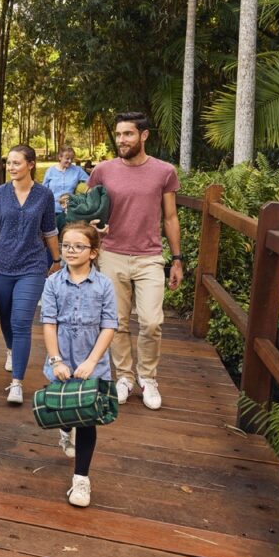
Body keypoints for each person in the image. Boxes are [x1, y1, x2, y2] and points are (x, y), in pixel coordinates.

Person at [87, 112, 183, 410]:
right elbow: (90, 212)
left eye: (127, 134)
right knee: (116, 322)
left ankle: (148, 377)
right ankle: (125, 377)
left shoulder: (164, 171)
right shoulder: (103, 171)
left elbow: (170, 217)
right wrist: (94, 231)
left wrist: (177, 259)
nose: (121, 140)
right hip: (112, 254)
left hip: (150, 257)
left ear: (144, 136)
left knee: (152, 322)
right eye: (118, 135)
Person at [40, 221, 117, 507]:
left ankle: (81, 480)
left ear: (93, 252)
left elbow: (109, 325)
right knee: (66, 408)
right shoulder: (53, 283)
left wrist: (92, 361)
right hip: (62, 355)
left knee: (87, 417)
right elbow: (48, 323)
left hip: (91, 359)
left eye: (78, 246)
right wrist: (55, 358)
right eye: (66, 245)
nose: (70, 250)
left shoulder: (104, 285)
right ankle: (64, 429)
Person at [0, 145, 61, 405]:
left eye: (16, 163)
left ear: (31, 165)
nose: (11, 167)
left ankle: (16, 383)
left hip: (33, 267)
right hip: (2, 266)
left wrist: (57, 260)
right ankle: (11, 350)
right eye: (9, 163)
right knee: (5, 316)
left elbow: (50, 230)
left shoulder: (44, 195)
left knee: (21, 321)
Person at [42, 146, 90, 216]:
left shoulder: (77, 170)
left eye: (72, 159)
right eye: (67, 158)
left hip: (70, 210)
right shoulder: (50, 171)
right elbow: (43, 191)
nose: (70, 161)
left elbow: (91, 182)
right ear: (60, 157)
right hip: (51, 210)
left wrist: (81, 196)